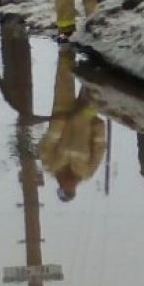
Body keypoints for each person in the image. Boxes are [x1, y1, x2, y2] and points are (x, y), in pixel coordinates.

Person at [39, 46, 107, 201]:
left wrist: (59, 124)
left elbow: (48, 142)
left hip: (62, 112)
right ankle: (95, 53)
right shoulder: (87, 171)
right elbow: (99, 148)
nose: (70, 185)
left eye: (65, 188)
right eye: (71, 190)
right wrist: (99, 128)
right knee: (93, 85)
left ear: (60, 186)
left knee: (64, 75)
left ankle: (66, 43)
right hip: (86, 117)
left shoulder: (50, 164)